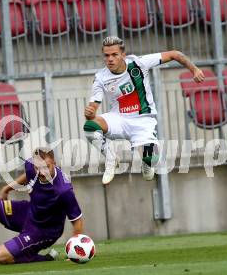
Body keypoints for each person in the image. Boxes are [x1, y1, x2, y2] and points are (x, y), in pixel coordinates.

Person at [83, 36, 205, 184]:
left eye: (114, 54)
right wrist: (90, 113)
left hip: (142, 120)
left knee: (151, 158)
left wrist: (194, 69)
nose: (110, 59)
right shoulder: (100, 77)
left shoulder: (139, 63)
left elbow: (175, 54)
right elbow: (93, 107)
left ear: (123, 55)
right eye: (106, 55)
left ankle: (147, 164)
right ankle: (111, 159)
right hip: (119, 119)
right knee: (90, 127)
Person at [0, 148, 84, 264]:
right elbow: (28, 174)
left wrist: (74, 251)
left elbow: (77, 220)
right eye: (38, 168)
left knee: (0, 256)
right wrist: (7, 189)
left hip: (44, 230)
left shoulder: (63, 190)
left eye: (46, 167)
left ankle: (45, 258)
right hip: (29, 212)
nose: (42, 172)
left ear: (54, 163)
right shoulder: (32, 166)